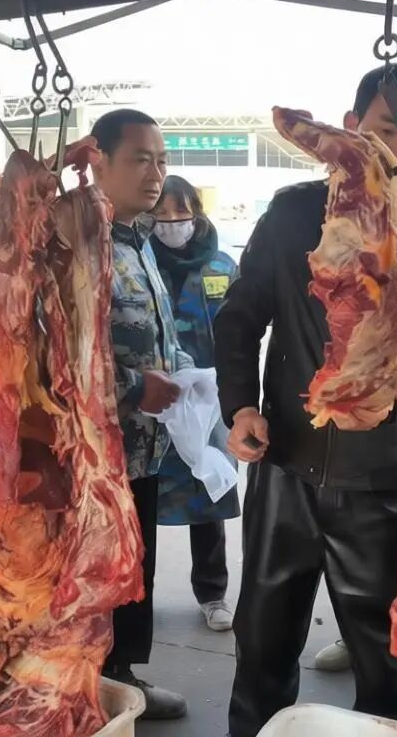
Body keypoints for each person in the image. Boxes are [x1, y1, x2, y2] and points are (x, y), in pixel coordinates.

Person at [214, 63, 397, 737]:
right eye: (387, 128)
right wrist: (241, 408)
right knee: (262, 642)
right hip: (286, 466)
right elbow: (240, 316)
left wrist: (386, 379)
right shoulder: (294, 212)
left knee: (391, 661)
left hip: (383, 481)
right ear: (350, 128)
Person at [90, 108, 190, 720]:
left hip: (143, 446)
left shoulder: (138, 240)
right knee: (97, 574)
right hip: (94, 454)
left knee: (135, 566)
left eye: (161, 160)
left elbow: (148, 333)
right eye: (139, 159)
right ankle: (92, 687)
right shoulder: (79, 242)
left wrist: (183, 375)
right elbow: (57, 350)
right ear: (98, 161)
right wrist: (132, 388)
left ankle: (123, 678)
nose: (155, 174)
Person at [148, 175, 240, 632]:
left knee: (210, 494)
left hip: (208, 402)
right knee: (143, 498)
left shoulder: (222, 266)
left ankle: (212, 593)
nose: (171, 223)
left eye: (180, 213)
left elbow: (242, 331)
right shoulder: (138, 260)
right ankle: (136, 597)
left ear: (197, 214)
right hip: (153, 401)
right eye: (161, 214)